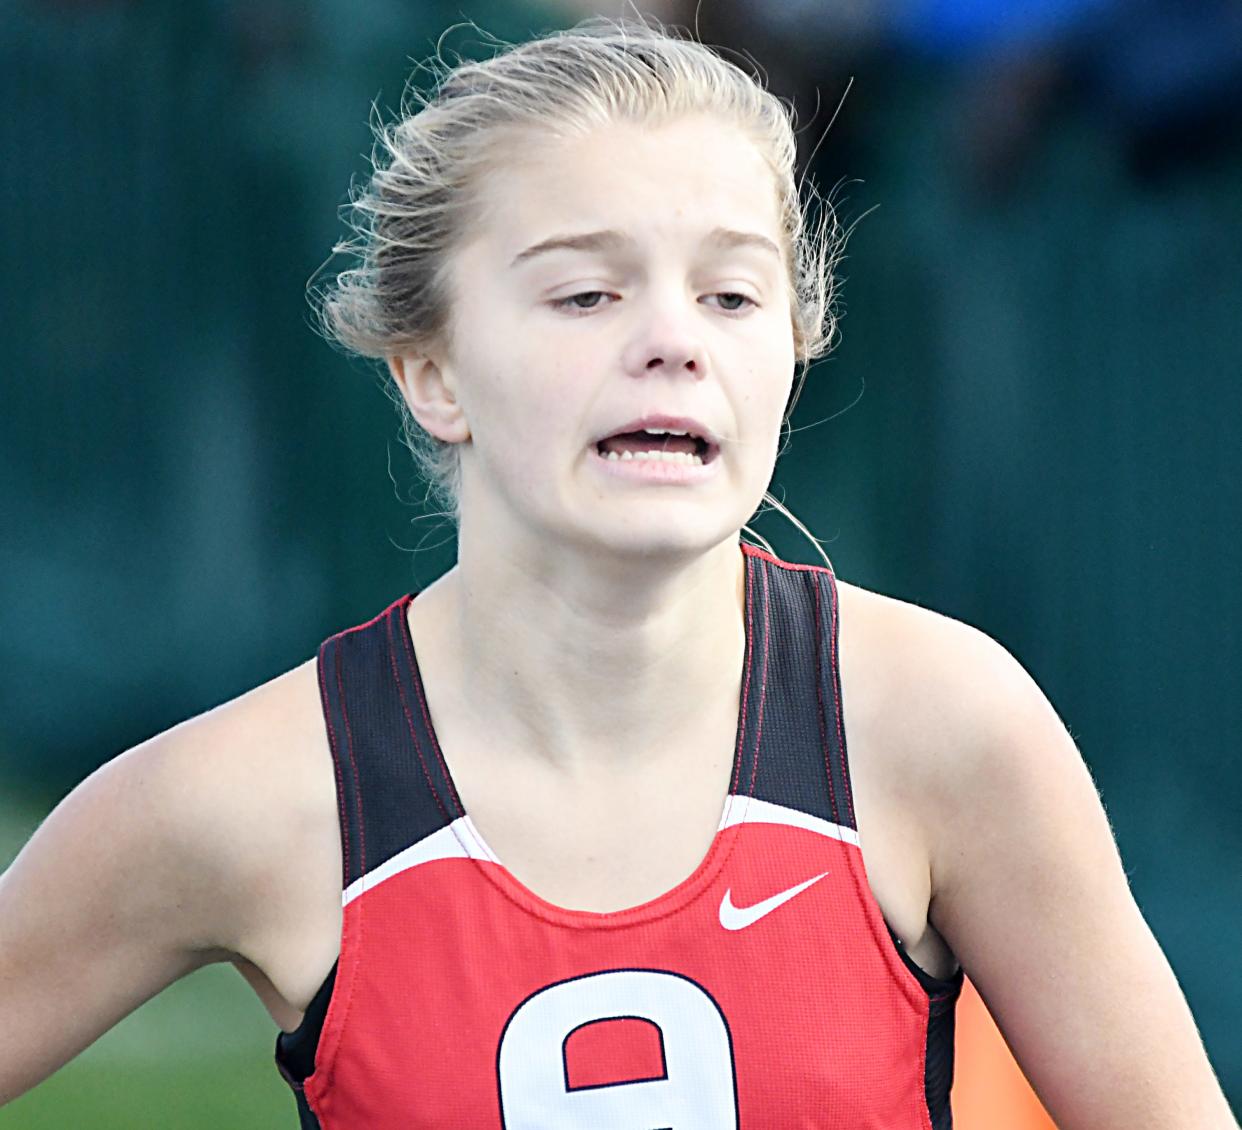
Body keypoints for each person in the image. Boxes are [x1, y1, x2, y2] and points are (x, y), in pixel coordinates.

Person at [0, 16, 1235, 1129]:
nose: (672, 342)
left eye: (732, 293)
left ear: (793, 349)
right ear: (431, 371)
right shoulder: (252, 795)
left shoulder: (945, 726)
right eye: (587, 292)